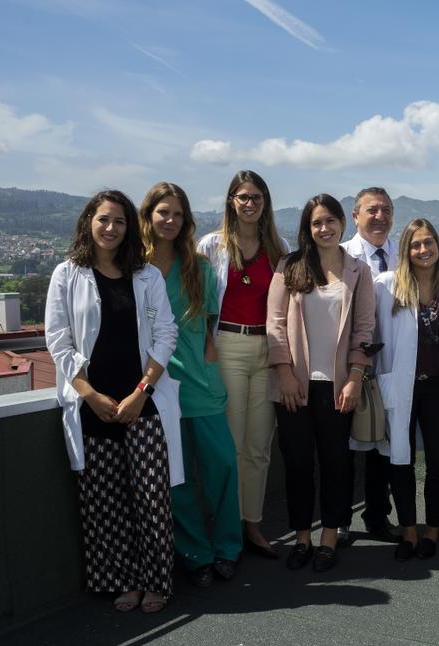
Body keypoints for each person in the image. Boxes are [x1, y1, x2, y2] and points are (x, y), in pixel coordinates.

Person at [45, 189, 183, 614]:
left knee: (150, 494)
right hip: (93, 406)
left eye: (119, 221)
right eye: (103, 219)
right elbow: (58, 341)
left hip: (142, 402)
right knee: (105, 499)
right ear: (89, 221)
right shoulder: (67, 275)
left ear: (129, 228)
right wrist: (89, 395)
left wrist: (140, 393)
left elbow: (166, 335)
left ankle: (156, 581)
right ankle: (122, 579)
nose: (110, 228)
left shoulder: (146, 276)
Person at [140, 182, 243, 588]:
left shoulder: (197, 267)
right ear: (148, 216)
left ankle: (228, 549)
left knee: (222, 466)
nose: (170, 220)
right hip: (155, 384)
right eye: (163, 212)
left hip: (199, 382)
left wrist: (210, 370)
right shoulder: (134, 267)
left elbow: (209, 331)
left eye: (177, 214)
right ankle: (196, 554)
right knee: (176, 476)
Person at [267, 194, 376, 572]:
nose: (324, 228)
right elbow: (275, 324)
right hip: (294, 385)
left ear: (343, 223)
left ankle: (329, 537)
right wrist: (283, 373)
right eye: (316, 223)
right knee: (297, 462)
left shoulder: (358, 272)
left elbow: (365, 329)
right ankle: (301, 538)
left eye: (330, 220)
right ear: (307, 228)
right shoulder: (289, 267)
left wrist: (356, 378)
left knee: (336, 463)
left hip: (339, 386)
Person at [197, 170, 288, 558]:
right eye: (242, 197)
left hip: (266, 348)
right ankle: (226, 527)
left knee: (259, 446)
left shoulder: (278, 246)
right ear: (231, 202)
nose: (249, 203)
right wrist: (207, 347)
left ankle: (252, 524)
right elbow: (198, 300)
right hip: (228, 345)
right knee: (230, 444)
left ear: (265, 202)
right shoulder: (212, 246)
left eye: (256, 197)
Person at [374, 218, 439, 561]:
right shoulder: (385, 287)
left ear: (438, 246)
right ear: (406, 249)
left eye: (428, 242)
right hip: (401, 387)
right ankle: (409, 531)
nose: (423, 250)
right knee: (400, 460)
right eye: (416, 244)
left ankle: (432, 528)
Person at [341, 186, 399, 544]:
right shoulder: (341, 256)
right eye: (372, 210)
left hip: (392, 366)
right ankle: (339, 520)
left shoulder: (404, 255)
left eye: (386, 210)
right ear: (355, 216)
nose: (380, 216)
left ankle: (378, 516)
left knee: (384, 449)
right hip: (347, 367)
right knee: (344, 448)